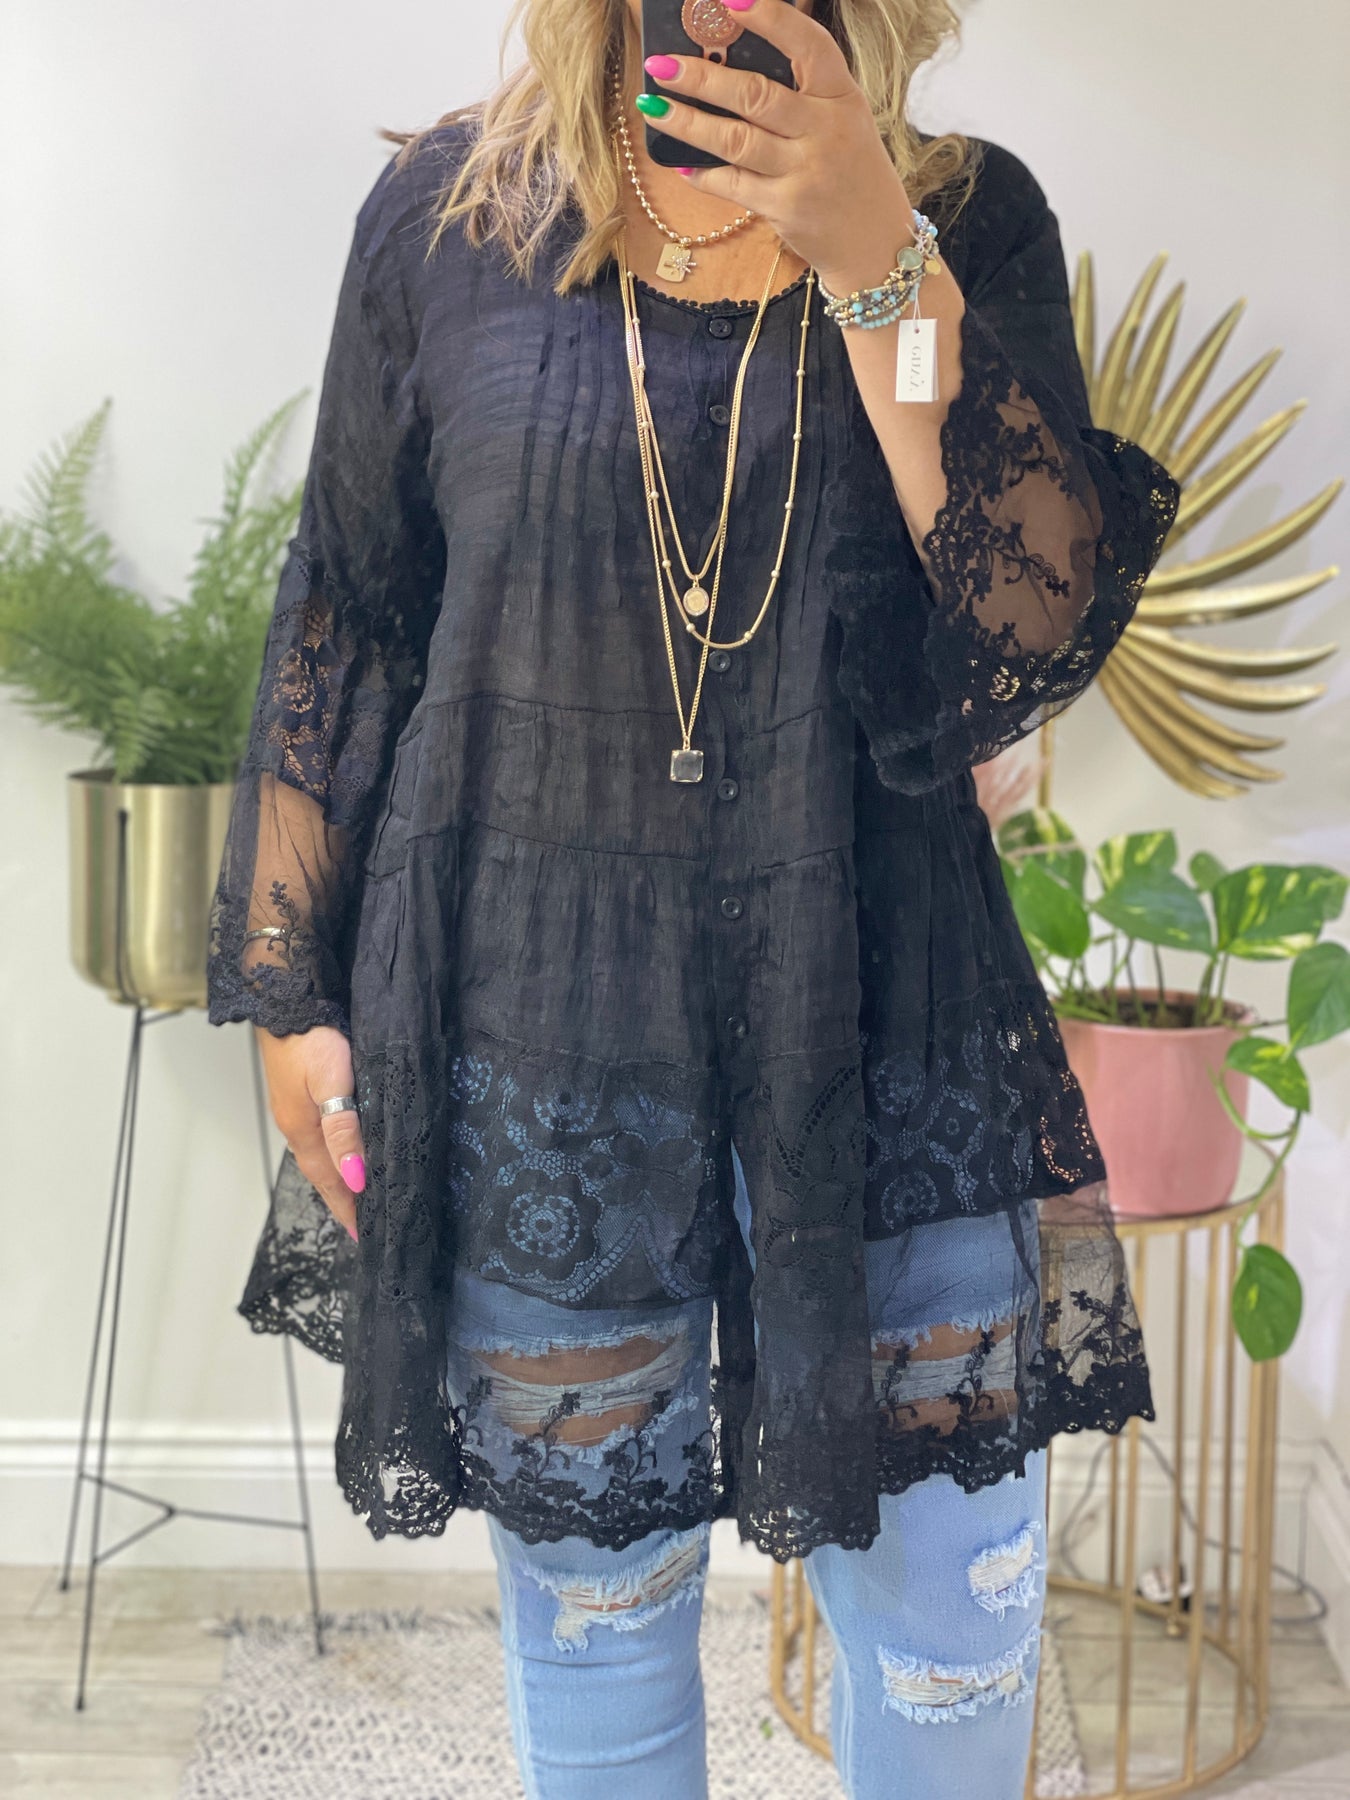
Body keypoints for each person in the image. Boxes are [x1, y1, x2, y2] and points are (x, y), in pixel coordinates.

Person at [207, 1, 1180, 1792]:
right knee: (598, 1631)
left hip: (881, 1015)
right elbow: (349, 607)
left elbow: (1029, 627)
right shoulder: (449, 221)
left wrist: (876, 254)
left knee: (952, 1641)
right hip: (538, 1036)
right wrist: (290, 986)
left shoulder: (964, 216)